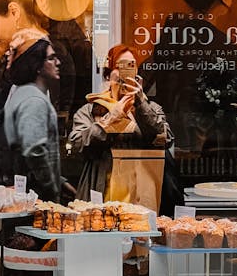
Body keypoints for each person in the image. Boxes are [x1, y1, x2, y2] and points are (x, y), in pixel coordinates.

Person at [141, 0, 237, 162]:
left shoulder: (170, 37)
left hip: (168, 136)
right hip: (211, 146)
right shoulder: (223, 44)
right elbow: (236, 98)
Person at [68, 44, 175, 209]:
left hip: (144, 198)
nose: (125, 71)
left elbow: (165, 138)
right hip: (103, 195)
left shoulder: (151, 108)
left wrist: (141, 105)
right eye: (120, 66)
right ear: (108, 74)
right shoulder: (91, 110)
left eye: (131, 66)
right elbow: (76, 145)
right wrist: (111, 118)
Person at [3, 33, 62, 203]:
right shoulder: (33, 100)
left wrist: (60, 180)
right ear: (38, 66)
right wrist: (52, 188)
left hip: (24, 191)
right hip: (34, 197)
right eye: (51, 58)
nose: (58, 63)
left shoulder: (24, 94)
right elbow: (34, 149)